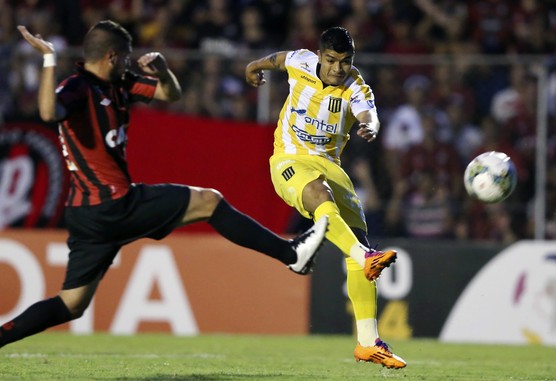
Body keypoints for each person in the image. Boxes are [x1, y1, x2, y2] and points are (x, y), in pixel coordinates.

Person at [0, 20, 329, 349]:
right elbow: (47, 112)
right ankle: (290, 253)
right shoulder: (78, 87)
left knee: (71, 303)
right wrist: (48, 59)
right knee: (208, 201)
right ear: (111, 56)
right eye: (126, 58)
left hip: (87, 214)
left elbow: (170, 93)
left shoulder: (120, 83)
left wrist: (162, 71)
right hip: (113, 204)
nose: (129, 63)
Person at [245, 27, 407, 369]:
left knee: (357, 241)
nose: (337, 68)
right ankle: (365, 256)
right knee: (322, 196)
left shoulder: (356, 86)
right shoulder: (302, 62)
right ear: (319, 56)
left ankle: (367, 343)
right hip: (289, 161)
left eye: (345, 62)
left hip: (330, 166)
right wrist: (255, 65)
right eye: (331, 61)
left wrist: (372, 126)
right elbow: (278, 60)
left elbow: (368, 113)